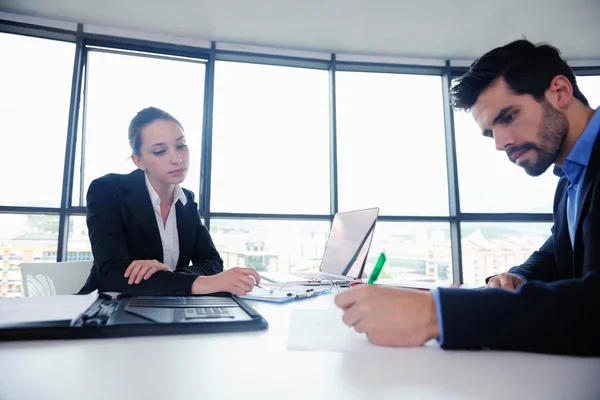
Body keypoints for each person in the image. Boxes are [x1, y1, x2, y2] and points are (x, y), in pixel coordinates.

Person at [335, 39, 600, 356]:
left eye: (508, 117)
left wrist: (434, 313)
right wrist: (518, 277)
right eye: (490, 133)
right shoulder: (570, 179)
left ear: (559, 92)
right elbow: (557, 255)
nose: (500, 144)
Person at [80, 107, 261, 296]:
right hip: (105, 309)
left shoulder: (186, 201)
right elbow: (112, 274)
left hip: (167, 307)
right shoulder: (107, 190)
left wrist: (174, 276)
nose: (177, 158)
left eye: (181, 146)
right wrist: (199, 283)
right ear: (138, 161)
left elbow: (212, 262)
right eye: (160, 151)